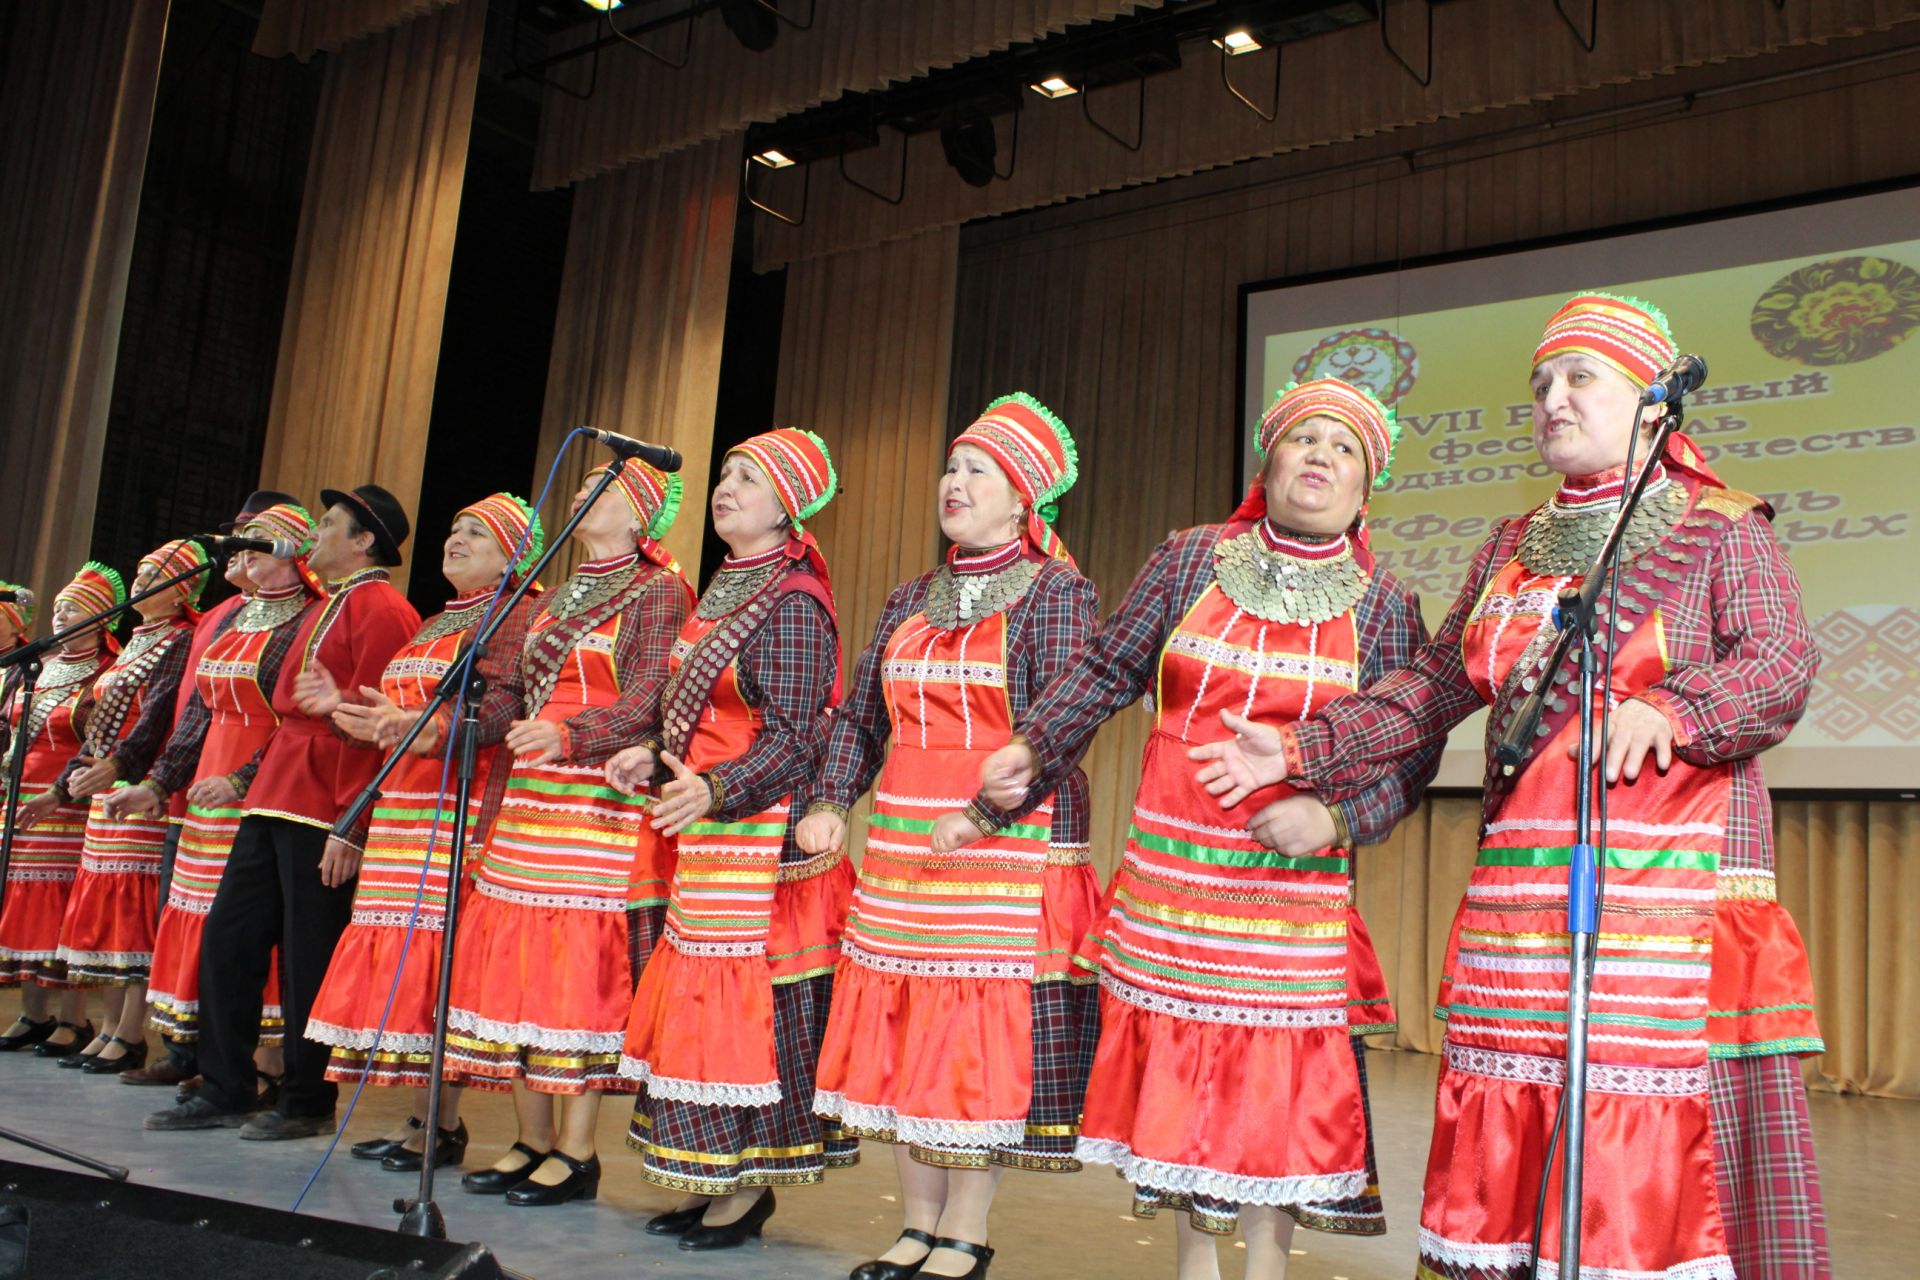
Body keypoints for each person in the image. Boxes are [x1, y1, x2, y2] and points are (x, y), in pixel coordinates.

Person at [1192, 294, 1830, 1279]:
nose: (1553, 398)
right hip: (1524, 903)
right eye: (1541, 383)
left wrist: (1677, 712)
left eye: (1580, 378)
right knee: (1512, 1130)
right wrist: (1303, 746)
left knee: (1650, 1154)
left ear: (1656, 406)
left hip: (1670, 900)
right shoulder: (1511, 544)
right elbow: (1434, 687)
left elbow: (1779, 661)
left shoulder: (1721, 528)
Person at [966, 379, 1437, 1280]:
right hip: (1172, 885)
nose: (1320, 460)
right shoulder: (1189, 559)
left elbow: (1410, 759)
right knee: (1180, 1090)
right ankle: (1193, 1271)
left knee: (1271, 1099)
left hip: (1286, 900)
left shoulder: (1383, 605)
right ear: (1269, 463)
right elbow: (1107, 667)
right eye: (1305, 441)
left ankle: (1262, 1274)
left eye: (1343, 450)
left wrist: (1333, 813)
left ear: (1365, 487)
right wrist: (1035, 744)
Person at [799, 395, 1100, 1280]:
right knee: (905, 1031)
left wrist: (991, 813)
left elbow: (1062, 726)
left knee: (974, 1043)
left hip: (1009, 845)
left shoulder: (1056, 593)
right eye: (952, 466)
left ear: (1024, 500)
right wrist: (831, 800)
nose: (953, 482)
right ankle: (916, 1225)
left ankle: (964, 1231)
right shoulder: (909, 597)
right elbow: (859, 721)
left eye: (979, 470)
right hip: (905, 842)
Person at [610, 427, 852, 1250]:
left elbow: (794, 739)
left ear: (788, 507)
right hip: (706, 829)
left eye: (748, 478)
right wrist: (649, 755)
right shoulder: (727, 588)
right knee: (699, 1007)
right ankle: (704, 1170)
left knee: (750, 1015)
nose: (726, 488)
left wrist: (712, 788)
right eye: (725, 475)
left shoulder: (792, 601)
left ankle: (745, 1187)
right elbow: (702, 713)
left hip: (756, 838)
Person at [442, 460, 691, 1204]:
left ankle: (578, 1152)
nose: (582, 497)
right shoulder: (549, 598)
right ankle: (530, 1138)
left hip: (596, 804)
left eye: (601, 491)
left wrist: (572, 735)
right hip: (529, 801)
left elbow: (653, 696)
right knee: (519, 966)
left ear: (641, 513)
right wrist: (435, 732)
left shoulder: (659, 591)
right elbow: (512, 690)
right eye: (579, 489)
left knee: (576, 976)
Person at [143, 486, 420, 1138]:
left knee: (308, 956)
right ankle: (227, 1084)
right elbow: (291, 714)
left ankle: (304, 1099)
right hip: (276, 792)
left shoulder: (382, 608)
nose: (315, 534)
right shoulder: (333, 605)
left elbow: (386, 723)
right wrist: (246, 777)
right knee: (230, 938)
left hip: (325, 801)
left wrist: (354, 824)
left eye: (329, 525)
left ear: (363, 542)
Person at [304, 493, 546, 1171]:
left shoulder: (517, 614)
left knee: (440, 965)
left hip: (456, 808)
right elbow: (397, 720)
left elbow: (502, 707)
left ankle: (442, 1125)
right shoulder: (439, 620)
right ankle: (425, 1121)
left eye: (475, 532)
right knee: (411, 970)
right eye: (453, 528)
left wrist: (426, 734)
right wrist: (342, 710)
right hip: (405, 811)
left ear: (514, 553)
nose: (455, 539)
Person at [119, 490, 296, 1092]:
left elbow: (295, 718)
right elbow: (194, 711)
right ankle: (193, 1044)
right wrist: (158, 782)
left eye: (255, 540)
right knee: (196, 915)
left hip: (256, 784)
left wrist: (242, 779)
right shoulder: (235, 616)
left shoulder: (305, 619)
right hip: (205, 786)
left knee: (246, 925)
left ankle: (263, 1058)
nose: (240, 552)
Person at [40, 540, 211, 1074]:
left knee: (132, 913)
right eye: (140, 574)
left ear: (182, 590)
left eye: (156, 576)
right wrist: (69, 784)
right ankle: (110, 1025)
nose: (142, 583)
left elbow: (158, 718)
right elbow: (101, 725)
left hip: (142, 784)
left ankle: (130, 1031)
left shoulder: (180, 640)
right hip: (105, 782)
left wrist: (124, 772)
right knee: (107, 912)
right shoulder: (139, 640)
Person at [0, 564, 121, 1055]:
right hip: (18, 794)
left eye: (72, 608)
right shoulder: (38, 667)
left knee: (61, 909)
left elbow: (97, 739)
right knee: (25, 905)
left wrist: (64, 788)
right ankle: (34, 1013)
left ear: (97, 619)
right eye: (57, 607)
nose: (61, 614)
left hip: (66, 801)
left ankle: (74, 1019)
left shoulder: (106, 674)